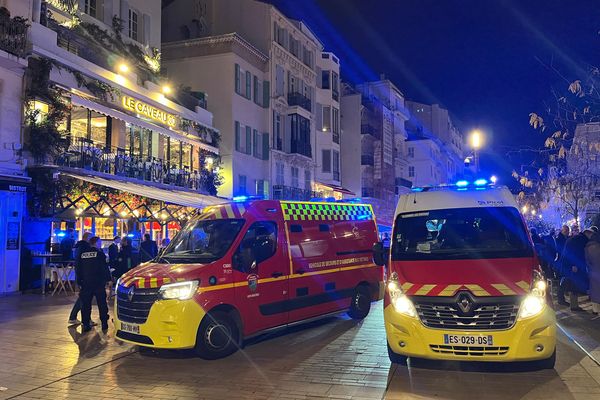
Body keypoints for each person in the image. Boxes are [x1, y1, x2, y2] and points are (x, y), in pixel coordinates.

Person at [76, 236, 111, 332]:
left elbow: (78, 268)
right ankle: (104, 323)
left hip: (86, 283)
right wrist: (108, 279)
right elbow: (104, 268)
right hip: (98, 282)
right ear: (95, 243)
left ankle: (86, 323)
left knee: (86, 304)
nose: (101, 244)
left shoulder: (82, 254)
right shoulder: (99, 254)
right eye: (99, 242)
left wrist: (79, 281)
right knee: (102, 304)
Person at [559, 229, 589, 310]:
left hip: (567, 264)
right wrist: (574, 265)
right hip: (572, 265)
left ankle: (564, 300)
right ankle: (574, 306)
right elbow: (577, 253)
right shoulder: (581, 240)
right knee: (573, 284)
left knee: (568, 282)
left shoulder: (575, 239)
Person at [68, 232, 92, 326]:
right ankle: (82, 319)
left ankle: (76, 317)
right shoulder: (85, 248)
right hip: (85, 276)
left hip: (81, 275)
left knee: (84, 297)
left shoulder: (79, 247)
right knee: (85, 298)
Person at [584, 229, 600, 315]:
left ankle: (596, 310)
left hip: (593, 271)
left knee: (595, 290)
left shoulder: (588, 247)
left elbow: (587, 261)